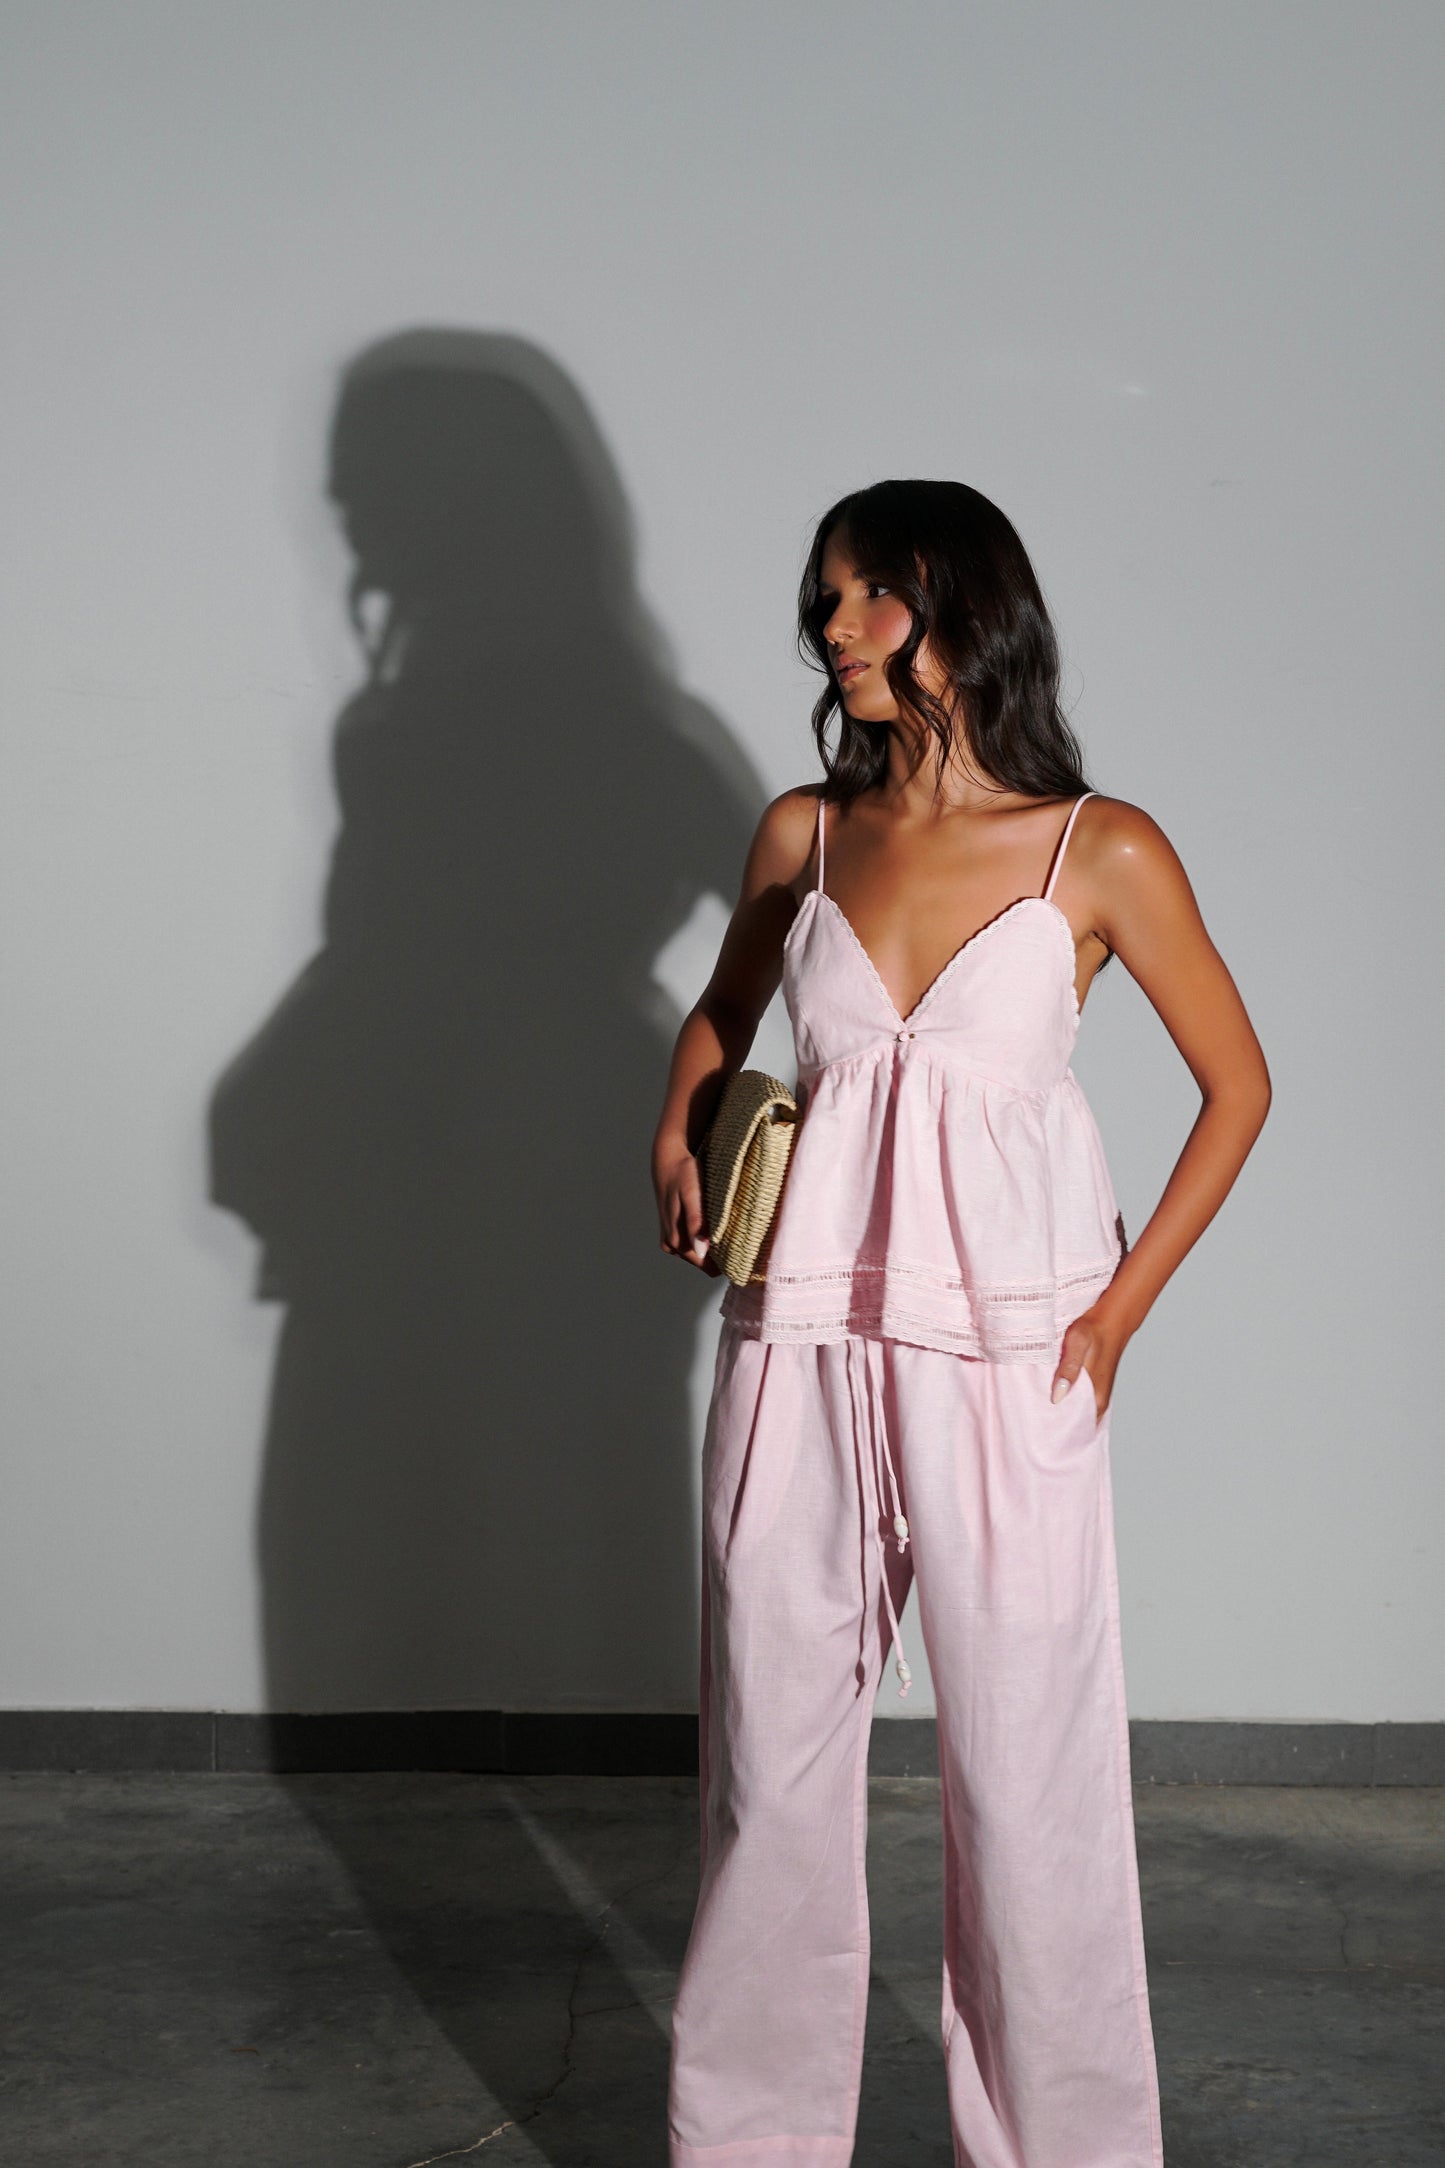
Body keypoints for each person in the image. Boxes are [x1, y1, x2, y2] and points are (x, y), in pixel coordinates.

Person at [650, 478, 1270, 2168]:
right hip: (795, 1348)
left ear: (963, 608)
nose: (830, 626)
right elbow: (720, 1014)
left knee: (1027, 1786)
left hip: (1009, 1361)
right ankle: (748, 2147)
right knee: (771, 1781)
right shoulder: (804, 832)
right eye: (825, 596)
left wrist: (1116, 1316)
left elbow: (1236, 1087)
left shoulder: (1099, 848)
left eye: (867, 593)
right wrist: (674, 1126)